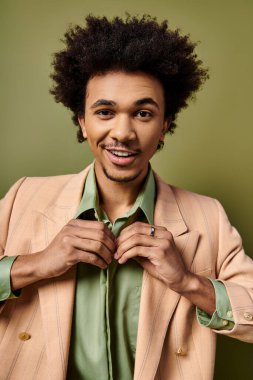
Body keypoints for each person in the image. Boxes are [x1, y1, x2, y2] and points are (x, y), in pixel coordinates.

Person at [0, 15, 252, 380]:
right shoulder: (25, 196)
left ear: (165, 123)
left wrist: (186, 282)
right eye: (105, 112)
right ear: (82, 120)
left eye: (143, 113)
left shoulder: (207, 216)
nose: (123, 132)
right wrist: (38, 263)